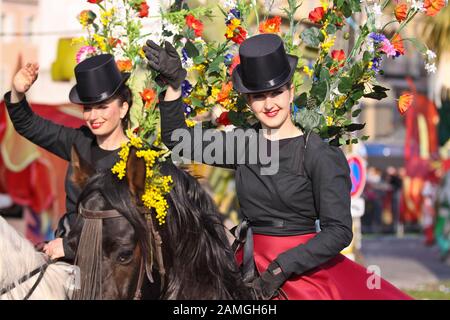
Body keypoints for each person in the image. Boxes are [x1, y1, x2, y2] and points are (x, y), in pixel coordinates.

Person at [144, 33, 412, 299]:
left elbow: (339, 231)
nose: (269, 104)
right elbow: (179, 141)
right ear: (249, 101)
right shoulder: (244, 145)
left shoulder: (320, 153)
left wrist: (282, 267)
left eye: (276, 93)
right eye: (259, 96)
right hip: (245, 264)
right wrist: (173, 86)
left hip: (300, 270)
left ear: (291, 91)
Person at [4, 54, 132, 261]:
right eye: (88, 108)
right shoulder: (78, 140)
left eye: (102, 107)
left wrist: (73, 248)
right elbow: (29, 125)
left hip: (113, 271)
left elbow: (130, 234)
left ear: (123, 108)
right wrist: (18, 92)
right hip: (65, 257)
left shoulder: (141, 159)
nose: (93, 116)